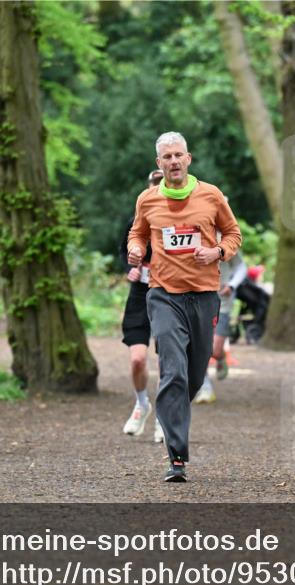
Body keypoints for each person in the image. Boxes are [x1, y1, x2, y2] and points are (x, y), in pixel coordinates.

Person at [127, 132, 242, 482]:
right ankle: (176, 458)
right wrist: (135, 249)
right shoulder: (147, 200)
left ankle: (172, 411)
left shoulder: (211, 195)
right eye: (166, 157)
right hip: (163, 294)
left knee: (192, 374)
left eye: (178, 155)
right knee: (173, 370)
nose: (173, 161)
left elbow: (233, 234)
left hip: (205, 295)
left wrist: (217, 252)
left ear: (188, 159)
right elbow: (138, 233)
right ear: (158, 164)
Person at [121, 169, 163, 436]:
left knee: (167, 362)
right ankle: (141, 404)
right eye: (155, 184)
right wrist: (131, 268)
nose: (159, 187)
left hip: (168, 294)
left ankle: (164, 417)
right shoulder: (136, 220)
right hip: (139, 295)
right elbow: (121, 251)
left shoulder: (181, 219)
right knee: (137, 360)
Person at [194, 250, 248, 403]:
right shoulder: (189, 234)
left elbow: (241, 266)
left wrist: (232, 285)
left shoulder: (223, 238)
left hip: (222, 302)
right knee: (201, 348)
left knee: (215, 350)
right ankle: (205, 387)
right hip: (196, 301)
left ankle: (221, 357)